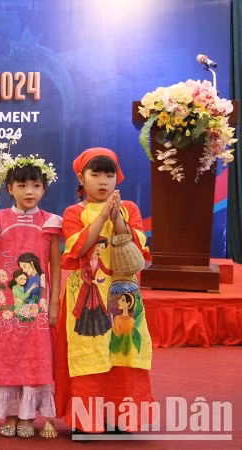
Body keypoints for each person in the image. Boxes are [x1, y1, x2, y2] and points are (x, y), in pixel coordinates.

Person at [54, 147, 154, 434]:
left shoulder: (129, 208)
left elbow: (137, 246)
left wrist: (117, 215)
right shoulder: (74, 212)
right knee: (90, 353)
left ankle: (122, 419)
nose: (103, 181)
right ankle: (87, 422)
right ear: (81, 178)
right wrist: (102, 217)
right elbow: (77, 249)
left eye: (109, 175)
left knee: (123, 350)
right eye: (96, 174)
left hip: (123, 293)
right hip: (88, 296)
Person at [0, 154, 61, 439]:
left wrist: (54, 303)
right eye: (21, 185)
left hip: (36, 305)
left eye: (35, 185)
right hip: (4, 305)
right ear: (9, 188)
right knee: (6, 355)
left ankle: (28, 415)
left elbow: (55, 267)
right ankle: (9, 413)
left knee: (34, 356)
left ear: (44, 188)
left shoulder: (50, 222)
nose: (29, 191)